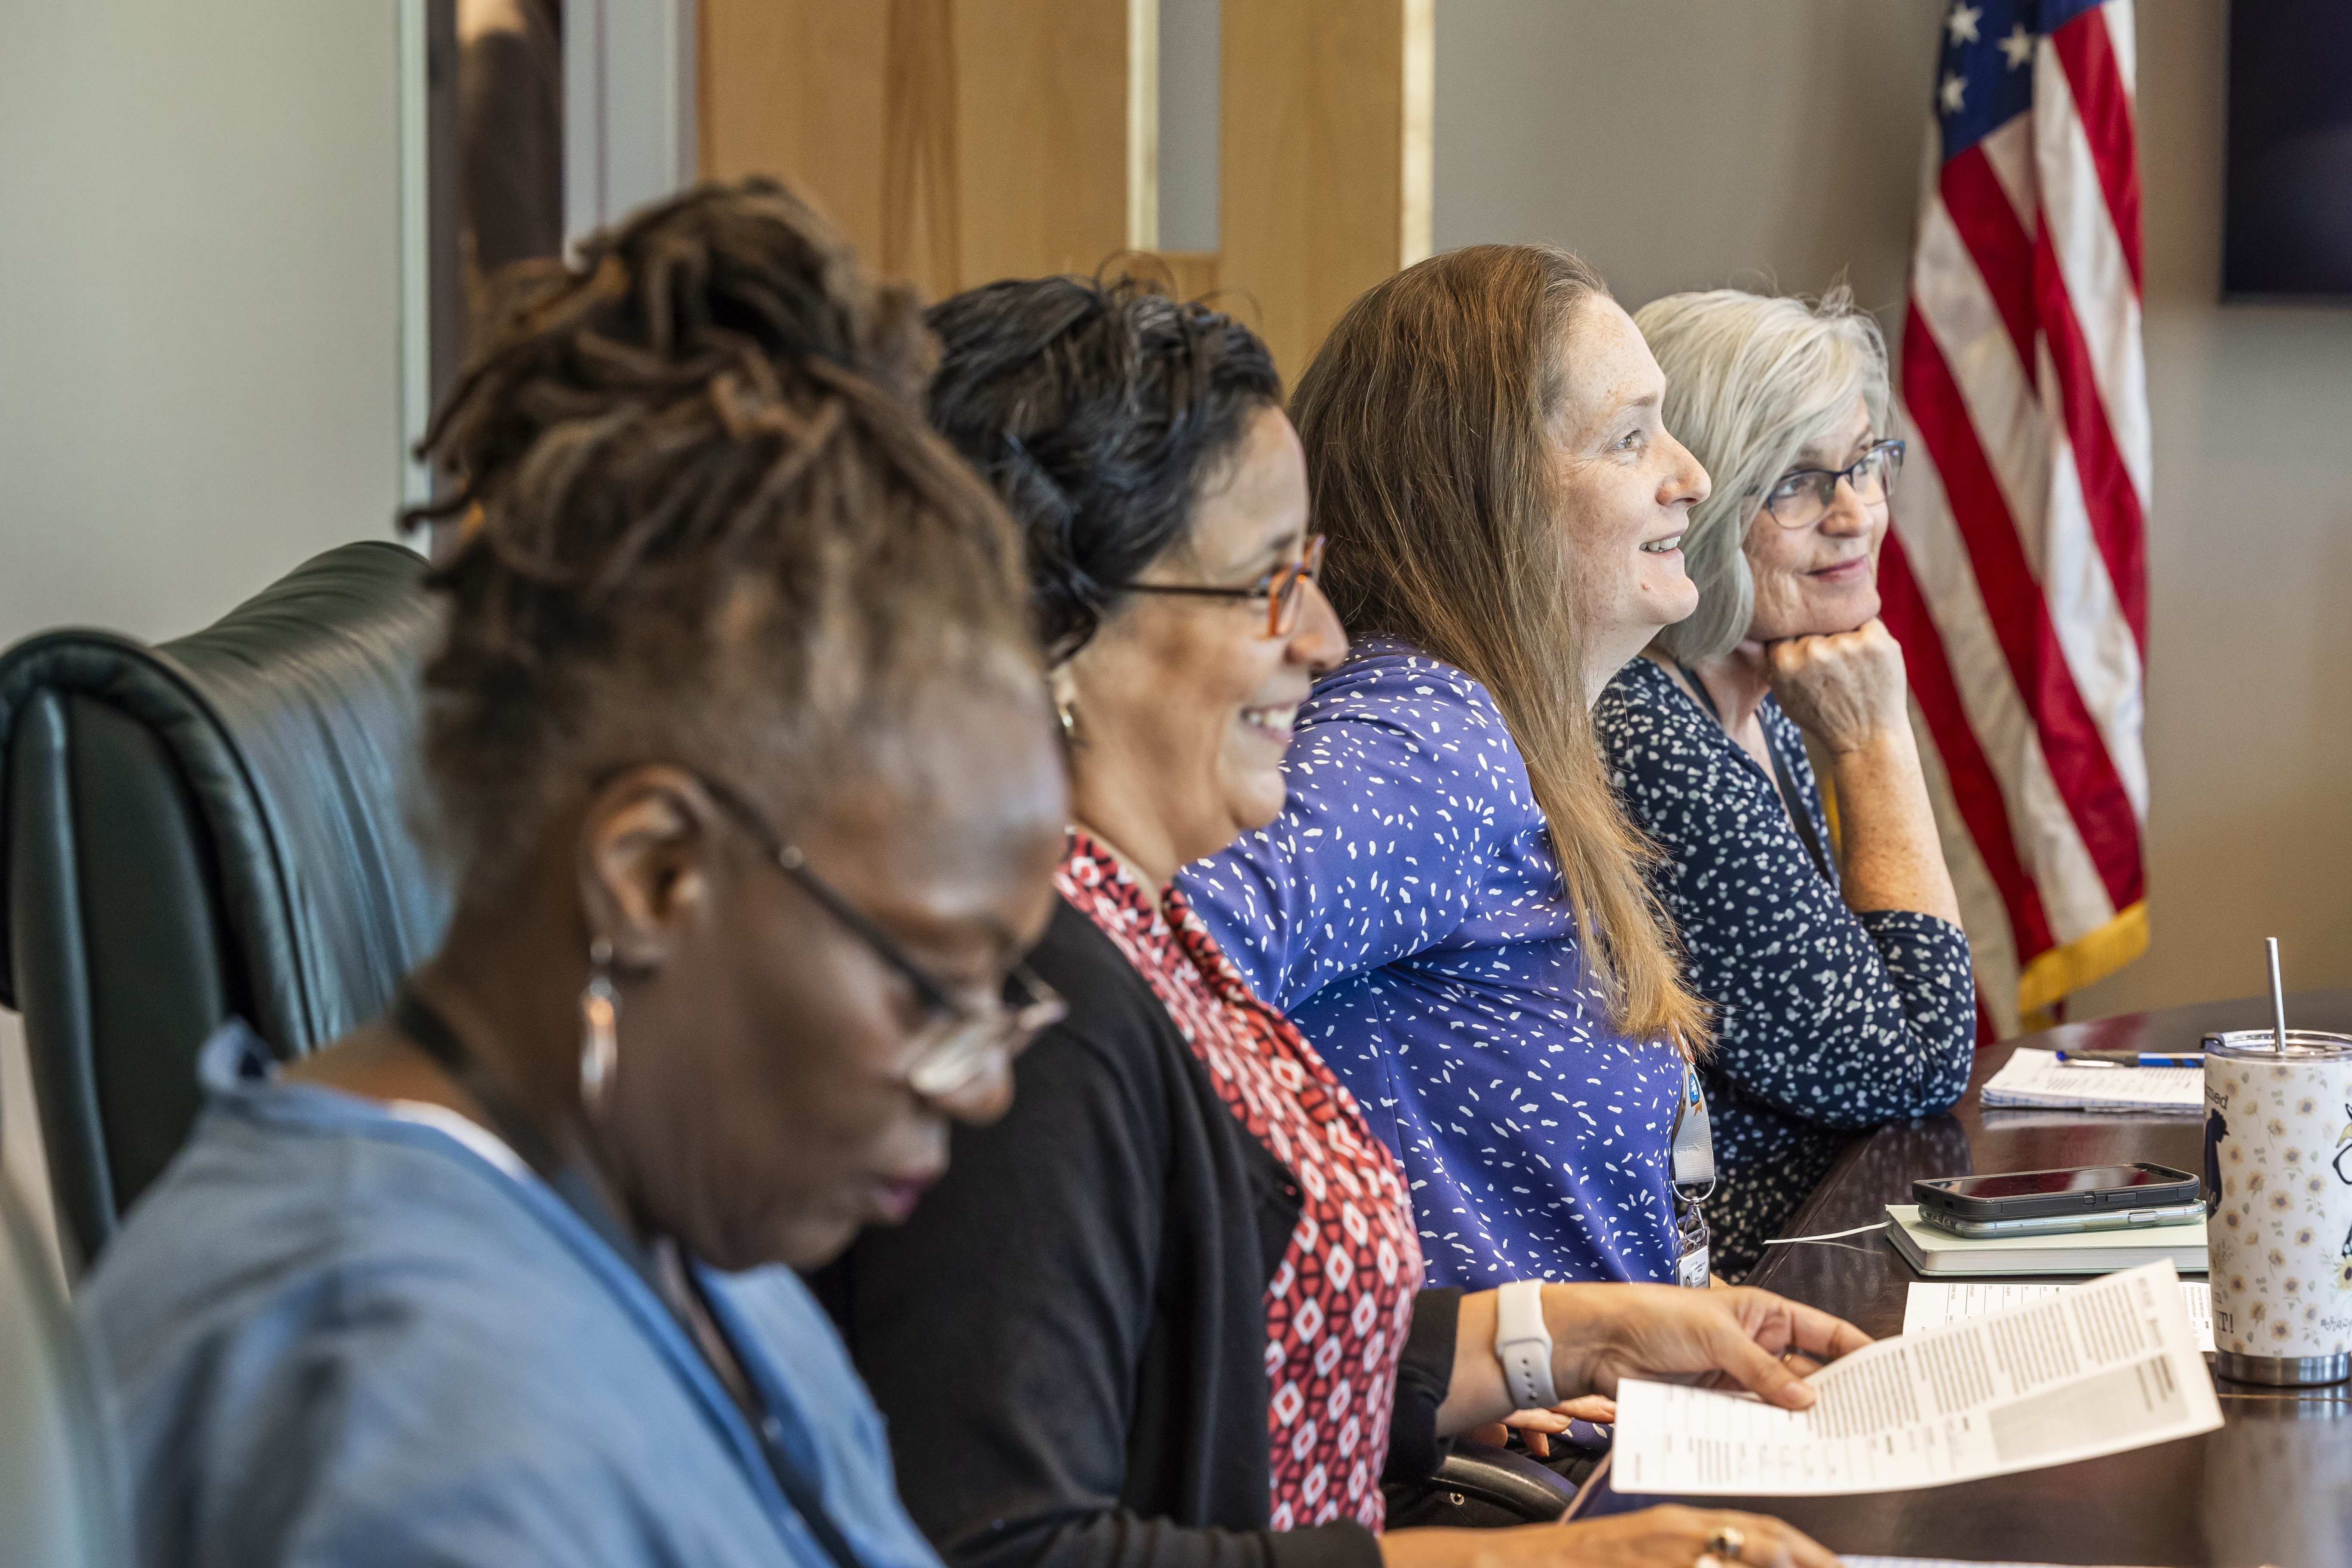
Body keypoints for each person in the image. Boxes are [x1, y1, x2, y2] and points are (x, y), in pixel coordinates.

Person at [75, 180, 1073, 1568]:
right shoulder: (404, 1418)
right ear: (655, 874)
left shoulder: (695, 1250)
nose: (987, 1078)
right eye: (932, 987)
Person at [819, 275, 1856, 1568]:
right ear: (1060, 634)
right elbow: (1018, 1552)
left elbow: (1208, 1349)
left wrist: (1552, 1338)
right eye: (1266, 585)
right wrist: (1535, 1564)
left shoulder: (1137, 938)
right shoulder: (1049, 1001)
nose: (1320, 639)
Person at [1178, 246, 1717, 1292]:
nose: (1690, 476)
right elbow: (1150, 964)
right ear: (1488, 496)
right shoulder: (1428, 741)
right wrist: (1416, 1356)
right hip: (1480, 1453)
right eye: (1627, 438)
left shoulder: (1506, 732)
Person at [1595, 288, 1974, 1280]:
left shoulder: (1772, 694)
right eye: (1799, 482)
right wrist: (1880, 741)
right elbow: (1915, 1061)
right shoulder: (1647, 730)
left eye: (1864, 464)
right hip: (1749, 1282)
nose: (1854, 515)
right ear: (1701, 503)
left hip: (1840, 1240)